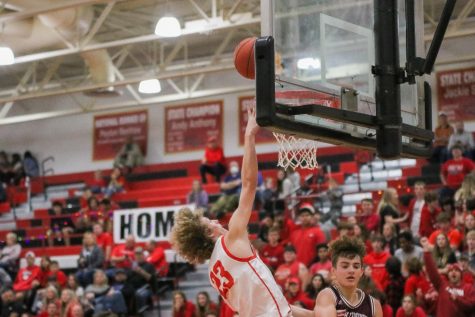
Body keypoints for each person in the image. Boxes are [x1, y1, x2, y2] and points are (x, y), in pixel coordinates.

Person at [171, 107, 292, 316]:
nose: (218, 222)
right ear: (209, 233)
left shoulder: (213, 274)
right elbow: (248, 184)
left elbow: (264, 305)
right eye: (212, 223)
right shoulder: (232, 239)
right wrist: (249, 135)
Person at [291, 236, 383, 317]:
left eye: (356, 266)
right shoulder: (327, 296)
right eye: (345, 266)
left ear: (361, 272)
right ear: (333, 271)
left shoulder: (373, 304)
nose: (351, 270)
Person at [420, 237, 475, 317]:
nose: (453, 272)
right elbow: (432, 272)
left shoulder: (468, 288)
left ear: (461, 274)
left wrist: (457, 300)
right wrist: (426, 252)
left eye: (456, 270)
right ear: (448, 275)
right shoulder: (442, 285)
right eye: (451, 271)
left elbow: (471, 306)